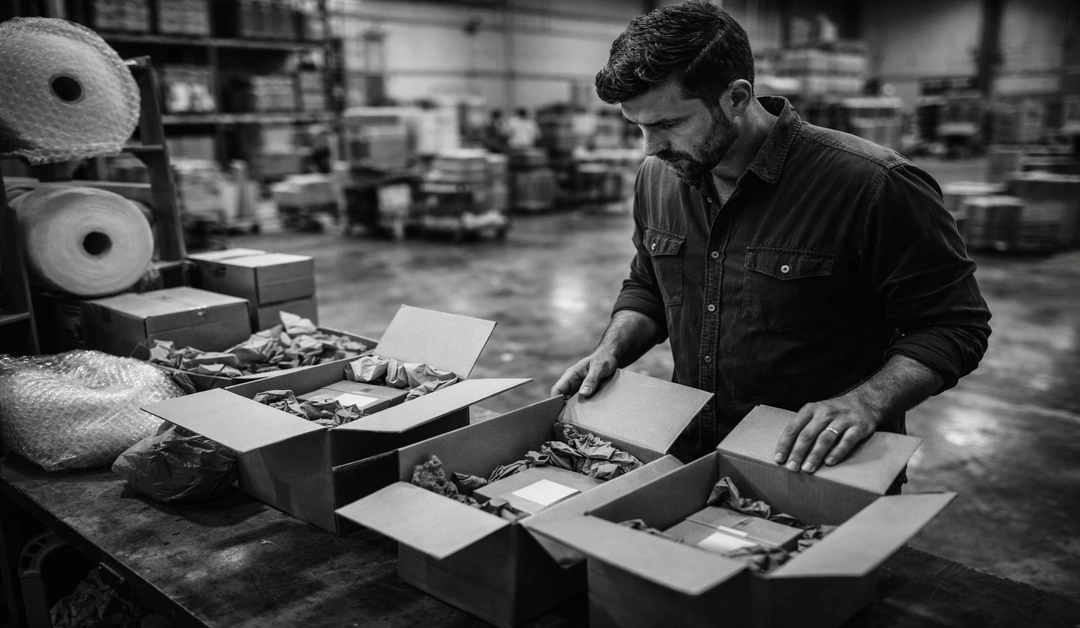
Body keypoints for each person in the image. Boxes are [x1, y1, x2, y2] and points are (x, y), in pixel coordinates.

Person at [551, 2, 991, 479]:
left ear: (737, 97)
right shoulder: (656, 179)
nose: (649, 148)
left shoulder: (874, 185)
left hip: (817, 466)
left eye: (667, 125)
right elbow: (649, 286)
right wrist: (610, 350)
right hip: (691, 453)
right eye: (637, 126)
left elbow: (954, 326)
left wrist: (865, 402)